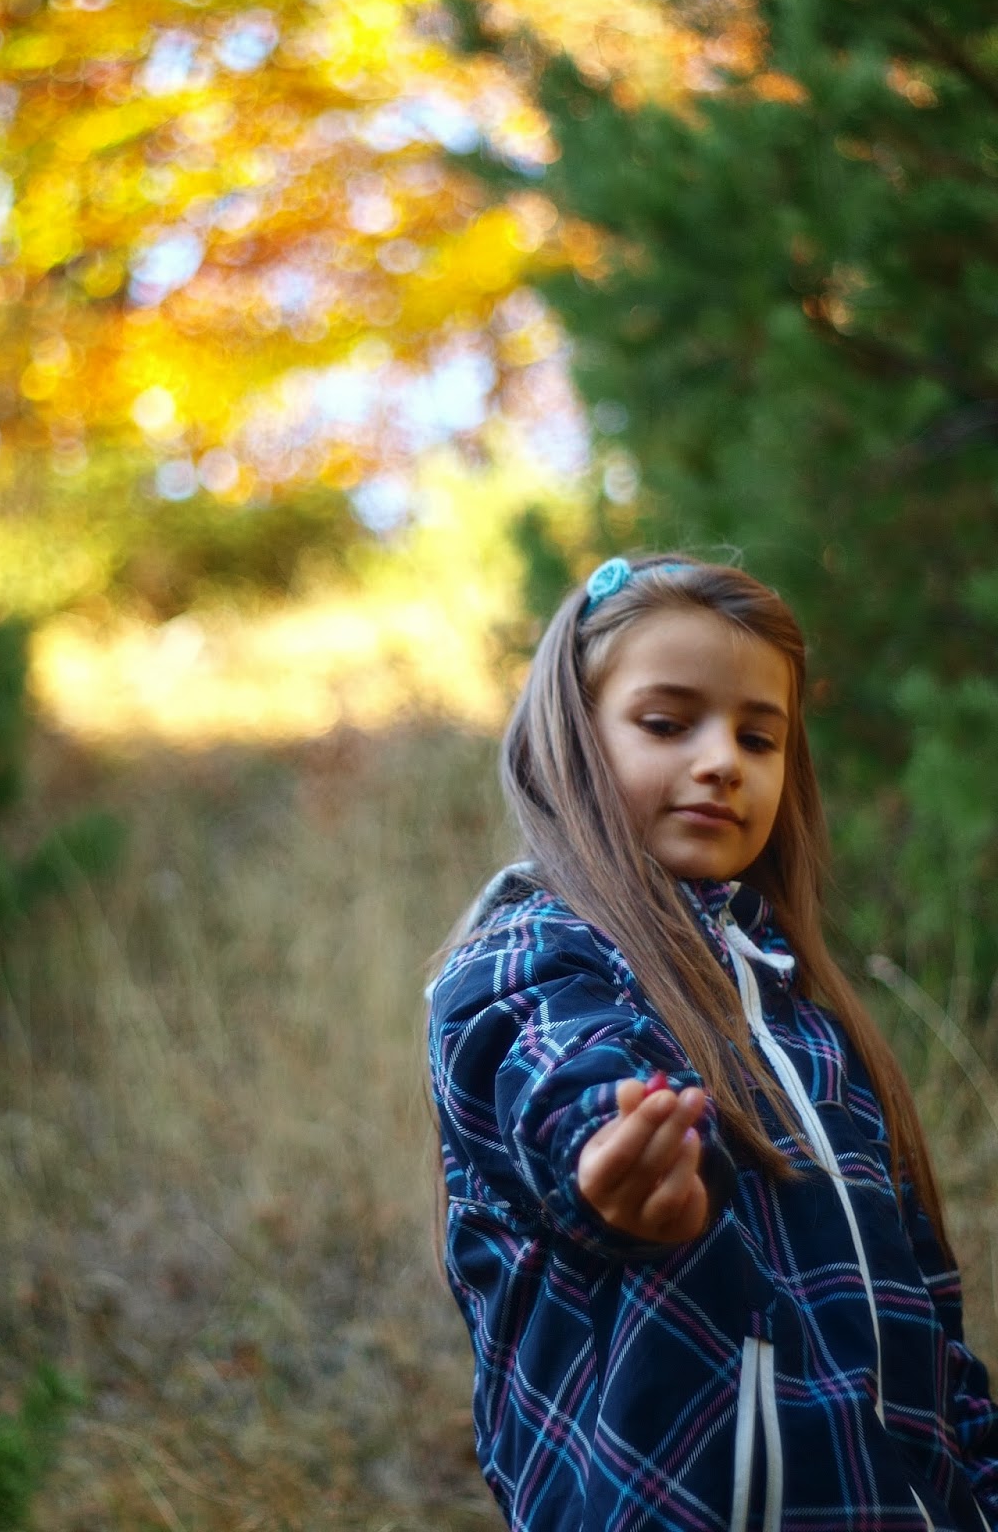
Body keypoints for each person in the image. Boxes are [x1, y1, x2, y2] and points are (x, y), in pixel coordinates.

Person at [427, 554, 998, 1532]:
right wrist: (608, 1151)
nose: (723, 760)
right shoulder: (532, 956)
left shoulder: (812, 1021)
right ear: (574, 739)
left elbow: (930, 1325)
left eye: (758, 736)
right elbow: (555, 1070)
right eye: (666, 723)